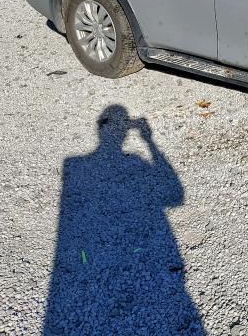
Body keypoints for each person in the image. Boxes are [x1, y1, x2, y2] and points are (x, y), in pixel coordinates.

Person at [44, 105, 203, 335]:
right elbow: (175, 195)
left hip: (91, 267)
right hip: (144, 256)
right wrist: (149, 142)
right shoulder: (132, 162)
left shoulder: (75, 165)